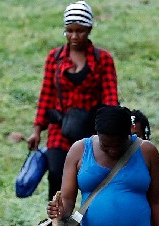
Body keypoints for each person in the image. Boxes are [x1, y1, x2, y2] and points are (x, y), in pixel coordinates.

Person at [28, 1, 118, 201]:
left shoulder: (103, 59)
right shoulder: (55, 57)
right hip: (59, 130)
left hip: (90, 132)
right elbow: (46, 95)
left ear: (89, 29)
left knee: (91, 180)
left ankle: (88, 224)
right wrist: (36, 130)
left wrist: (113, 131)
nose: (75, 37)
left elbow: (111, 98)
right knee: (57, 176)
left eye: (81, 31)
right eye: (70, 31)